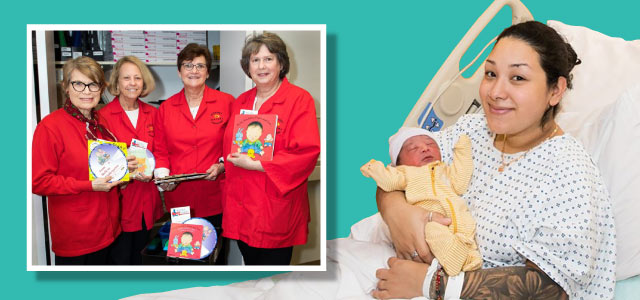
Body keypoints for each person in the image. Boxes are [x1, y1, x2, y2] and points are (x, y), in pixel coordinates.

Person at [374, 21, 615, 299]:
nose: (495, 92)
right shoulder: (471, 130)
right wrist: (396, 211)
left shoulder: (568, 174)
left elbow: (551, 288)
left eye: (518, 78)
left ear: (555, 90)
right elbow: (403, 170)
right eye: (490, 73)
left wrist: (433, 285)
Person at [222, 32, 320, 265]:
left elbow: (306, 152)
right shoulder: (241, 101)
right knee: (252, 274)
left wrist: (257, 164)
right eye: (255, 60)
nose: (261, 66)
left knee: (273, 278)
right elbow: (229, 144)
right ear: (248, 67)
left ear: (281, 63)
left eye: (268, 59)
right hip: (242, 207)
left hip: (275, 209)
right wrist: (221, 162)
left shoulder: (299, 100)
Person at [32, 56, 136, 265]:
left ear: (101, 88)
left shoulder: (101, 122)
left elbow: (104, 167)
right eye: (78, 84)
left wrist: (123, 171)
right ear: (66, 87)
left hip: (110, 232)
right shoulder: (50, 127)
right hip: (77, 238)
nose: (87, 91)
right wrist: (88, 186)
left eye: (93, 84)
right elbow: (39, 181)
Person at [153, 43, 234, 263]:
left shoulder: (227, 103)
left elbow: (234, 145)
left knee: (214, 258)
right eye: (188, 65)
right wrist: (163, 178)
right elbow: (160, 149)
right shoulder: (166, 108)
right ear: (179, 71)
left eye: (200, 65)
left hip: (215, 196)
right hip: (179, 198)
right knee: (184, 257)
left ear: (208, 71)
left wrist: (222, 164)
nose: (194, 70)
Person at [361, 130, 481, 276]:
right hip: (432, 224)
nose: (425, 148)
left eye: (430, 144)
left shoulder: (444, 170)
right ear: (398, 163)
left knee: (468, 235)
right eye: (413, 148)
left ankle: (468, 259)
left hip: (461, 221)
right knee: (433, 233)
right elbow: (389, 181)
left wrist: (462, 150)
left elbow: (460, 182)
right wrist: (374, 168)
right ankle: (454, 267)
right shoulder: (406, 173)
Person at [98, 56, 164, 265]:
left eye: (137, 78)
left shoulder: (154, 114)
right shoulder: (102, 117)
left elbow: (162, 150)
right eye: (126, 78)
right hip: (120, 205)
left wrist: (157, 171)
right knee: (121, 263)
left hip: (149, 203)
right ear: (117, 82)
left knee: (147, 263)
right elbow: (99, 163)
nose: (132, 83)